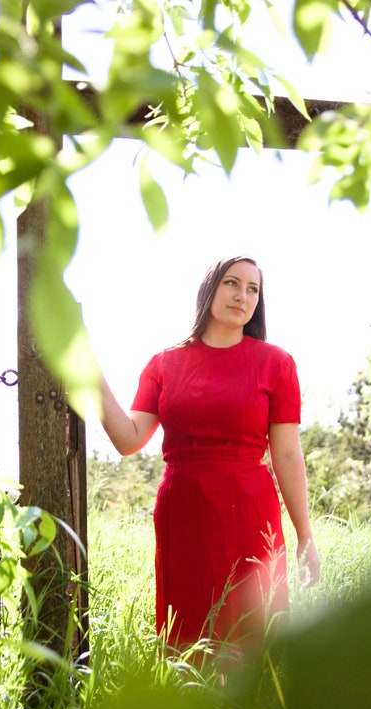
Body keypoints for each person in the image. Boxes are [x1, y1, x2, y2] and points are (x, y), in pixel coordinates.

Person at [98, 255, 320, 650]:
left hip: (249, 511)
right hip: (183, 510)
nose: (243, 295)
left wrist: (305, 534)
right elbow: (129, 439)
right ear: (210, 289)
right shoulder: (164, 364)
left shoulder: (276, 364)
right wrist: (89, 379)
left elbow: (286, 455)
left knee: (254, 632)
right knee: (187, 635)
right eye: (232, 283)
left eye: (253, 289)